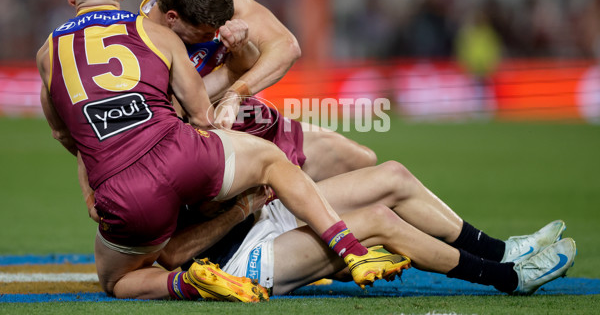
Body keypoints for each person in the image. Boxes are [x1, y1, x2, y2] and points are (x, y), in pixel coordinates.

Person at [36, 0, 409, 302]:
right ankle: (350, 249)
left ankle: (187, 283)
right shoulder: (154, 33)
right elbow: (199, 114)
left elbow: (65, 134)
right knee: (275, 162)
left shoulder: (48, 54)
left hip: (125, 184)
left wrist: (92, 188)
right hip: (190, 147)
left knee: (117, 279)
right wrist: (228, 95)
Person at [157, 161, 576, 296]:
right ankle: (510, 277)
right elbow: (171, 255)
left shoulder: (180, 118)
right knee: (380, 221)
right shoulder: (140, 171)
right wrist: (238, 209)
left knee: (392, 175)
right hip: (236, 262)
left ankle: (502, 250)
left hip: (262, 214)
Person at [141, 0, 377, 180]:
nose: (214, 35)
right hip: (209, 144)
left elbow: (286, 48)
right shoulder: (139, 43)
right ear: (172, 18)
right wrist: (232, 73)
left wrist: (235, 94)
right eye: (205, 34)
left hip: (246, 117)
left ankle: (281, 211)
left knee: (364, 160)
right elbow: (180, 110)